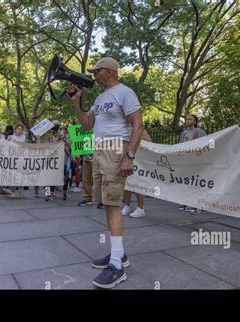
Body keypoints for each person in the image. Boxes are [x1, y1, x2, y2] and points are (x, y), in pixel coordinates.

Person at [67, 57, 144, 289]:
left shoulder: (125, 92)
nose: (93, 75)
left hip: (115, 150)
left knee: (113, 204)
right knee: (107, 204)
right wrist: (76, 102)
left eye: (96, 70)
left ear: (110, 71)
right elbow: (87, 125)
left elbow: (138, 125)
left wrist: (129, 155)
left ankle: (117, 267)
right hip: (100, 152)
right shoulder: (100, 98)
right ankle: (117, 254)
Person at [178, 115, 206, 214]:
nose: (187, 120)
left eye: (190, 119)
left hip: (196, 162)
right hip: (186, 162)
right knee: (187, 182)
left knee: (197, 183)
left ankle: (198, 204)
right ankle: (187, 202)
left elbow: (203, 145)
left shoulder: (199, 131)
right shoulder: (184, 133)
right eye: (187, 119)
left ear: (195, 121)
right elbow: (180, 146)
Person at [122, 129, 152, 218]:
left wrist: (134, 138)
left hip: (137, 159)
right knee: (127, 184)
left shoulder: (138, 128)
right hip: (127, 158)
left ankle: (140, 209)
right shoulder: (125, 127)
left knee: (137, 183)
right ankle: (127, 206)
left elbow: (149, 140)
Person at [7, 124, 27, 198]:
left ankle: (20, 190)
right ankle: (13, 192)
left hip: (21, 158)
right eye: (18, 128)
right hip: (12, 159)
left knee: (21, 175)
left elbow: (23, 145)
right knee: (12, 175)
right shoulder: (10, 137)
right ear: (15, 129)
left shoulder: (24, 137)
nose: (20, 130)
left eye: (21, 129)